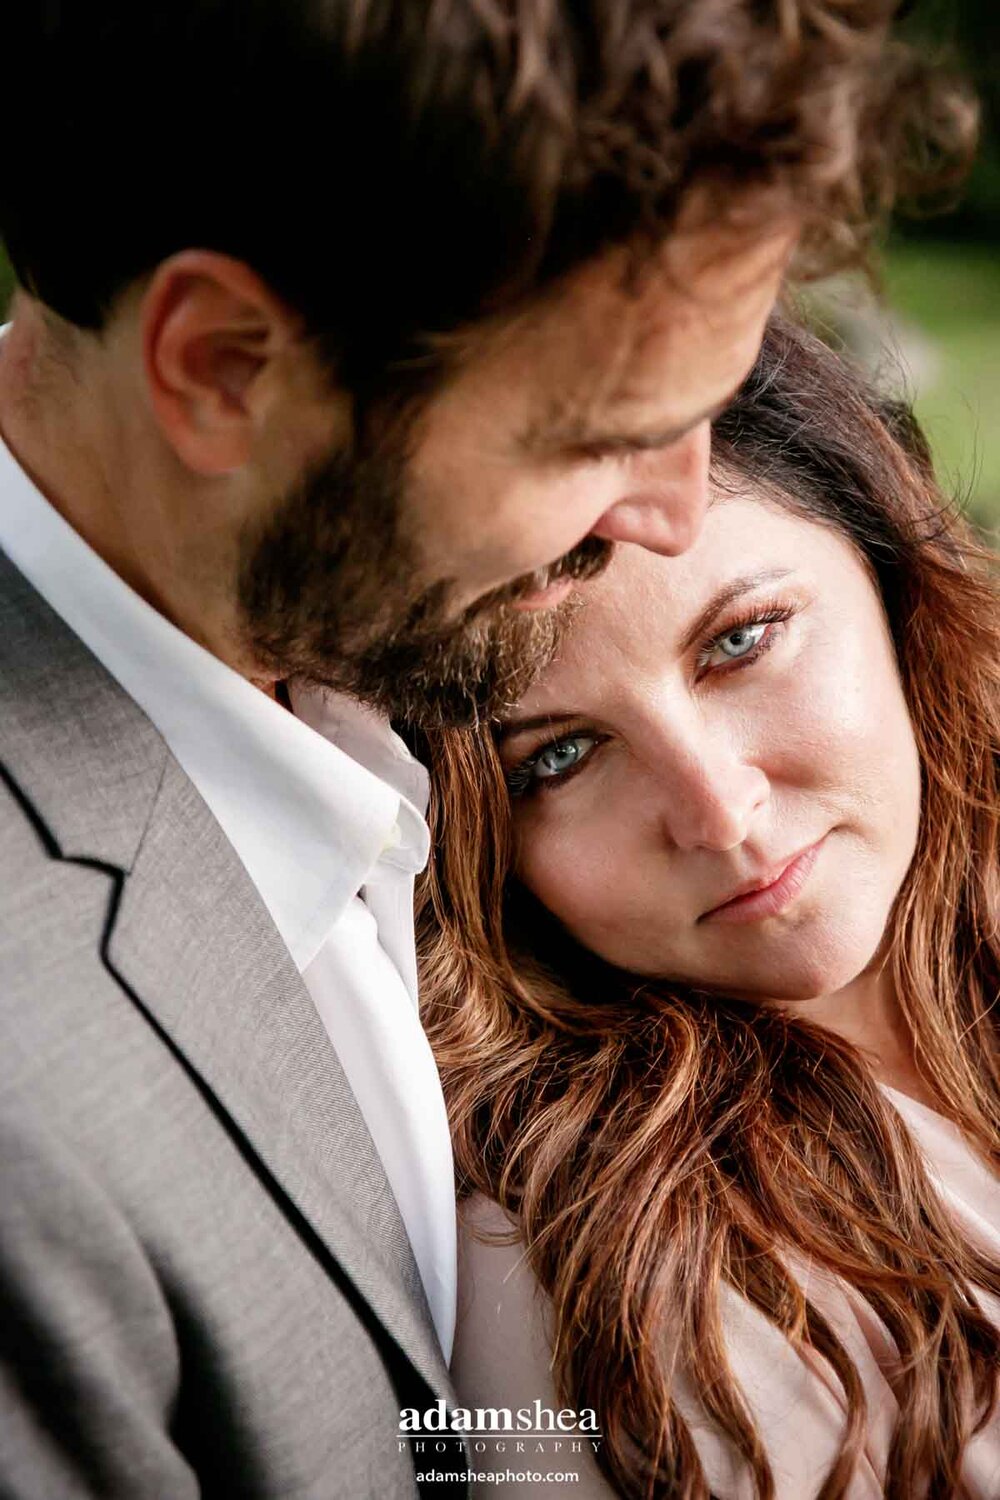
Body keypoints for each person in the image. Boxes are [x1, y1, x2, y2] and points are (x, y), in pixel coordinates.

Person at [0, 5, 973, 1498]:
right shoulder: (37, 1103)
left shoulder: (338, 635)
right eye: (591, 434)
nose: (660, 515)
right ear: (221, 370)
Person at [415, 317, 1000, 1499]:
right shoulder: (606, 1272)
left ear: (888, 577)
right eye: (561, 756)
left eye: (742, 641)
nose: (717, 812)